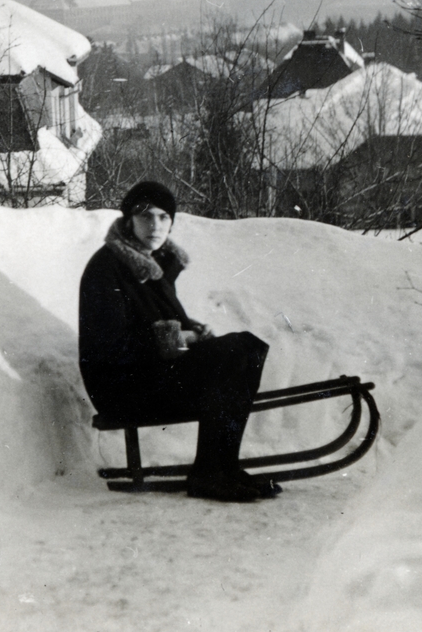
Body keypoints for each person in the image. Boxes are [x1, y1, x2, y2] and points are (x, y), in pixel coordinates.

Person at [78, 180, 279, 501]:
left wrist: (192, 334)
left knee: (248, 347)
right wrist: (178, 338)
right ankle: (210, 473)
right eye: (145, 216)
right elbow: (111, 347)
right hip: (120, 386)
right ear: (129, 220)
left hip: (149, 374)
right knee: (237, 348)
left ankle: (222, 467)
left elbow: (163, 324)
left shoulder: (153, 263)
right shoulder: (108, 267)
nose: (155, 225)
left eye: (163, 217)